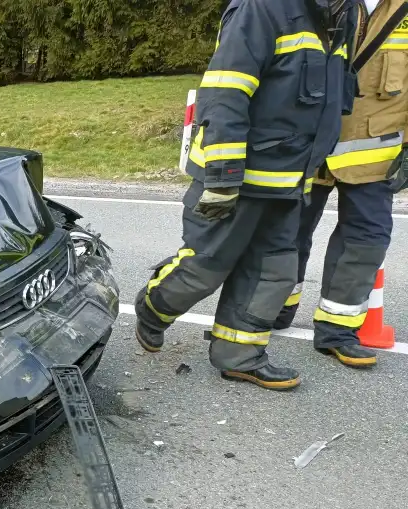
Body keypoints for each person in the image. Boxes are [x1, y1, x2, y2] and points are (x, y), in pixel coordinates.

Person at [134, 0, 356, 390]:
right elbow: (225, 93)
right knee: (206, 266)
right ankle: (153, 308)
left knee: (274, 273)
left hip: (290, 180)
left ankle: (240, 355)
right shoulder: (262, 8)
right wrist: (222, 177)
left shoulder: (342, 14)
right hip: (237, 175)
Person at [274, 0, 406, 369]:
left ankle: (337, 330)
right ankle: (274, 308)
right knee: (287, 230)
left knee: (367, 238)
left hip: (373, 150)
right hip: (308, 142)